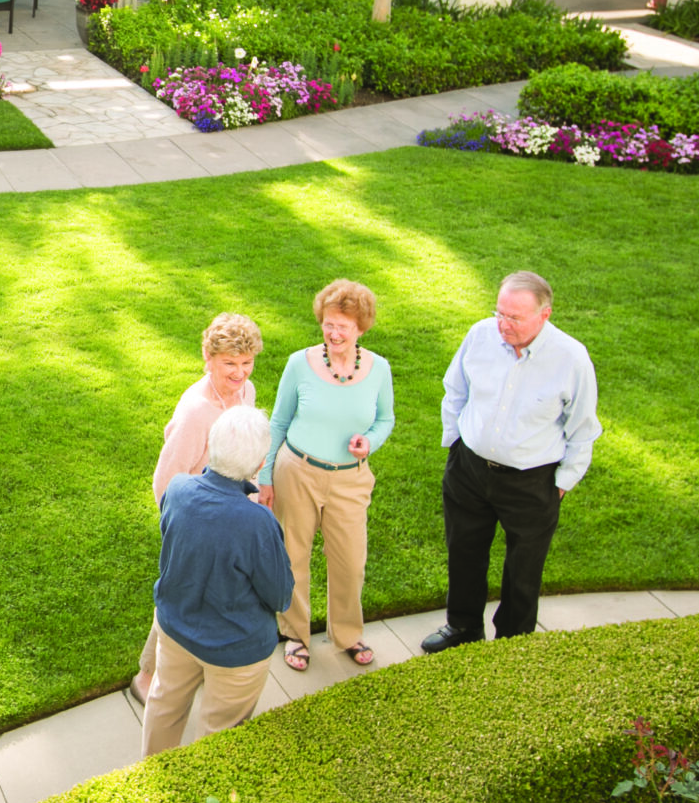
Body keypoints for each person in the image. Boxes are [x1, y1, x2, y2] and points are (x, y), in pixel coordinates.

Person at [421, 271, 601, 652]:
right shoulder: (481, 335)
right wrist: (454, 443)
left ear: (544, 315)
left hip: (531, 482)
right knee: (464, 552)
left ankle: (513, 646)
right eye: (500, 312)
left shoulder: (571, 358)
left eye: (515, 318)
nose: (503, 324)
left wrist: (563, 482)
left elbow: (583, 429)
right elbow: (455, 390)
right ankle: (463, 629)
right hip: (468, 470)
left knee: (524, 569)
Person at [142, 405, 296, 756]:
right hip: (235, 650)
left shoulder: (178, 489)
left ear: (211, 446)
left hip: (175, 631)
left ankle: (150, 783)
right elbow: (280, 596)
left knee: (164, 707)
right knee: (218, 741)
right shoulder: (258, 522)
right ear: (259, 465)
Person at [257, 279, 393, 673]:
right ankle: (295, 635)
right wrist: (265, 475)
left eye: (343, 327)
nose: (334, 333)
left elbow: (386, 418)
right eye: (328, 324)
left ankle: (347, 634)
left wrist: (370, 442)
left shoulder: (379, 369)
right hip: (296, 472)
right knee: (293, 556)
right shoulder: (300, 363)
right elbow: (279, 421)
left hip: (350, 479)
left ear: (361, 329)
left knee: (350, 562)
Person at [133, 313, 264, 702]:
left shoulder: (247, 393)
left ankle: (198, 664)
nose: (240, 373)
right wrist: (179, 527)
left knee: (217, 592)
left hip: (232, 514)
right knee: (180, 595)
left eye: (246, 362)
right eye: (230, 364)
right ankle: (148, 675)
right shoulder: (196, 411)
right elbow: (166, 478)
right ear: (208, 357)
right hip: (195, 519)